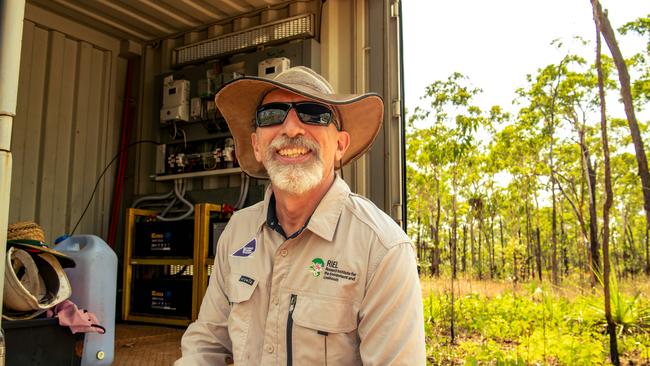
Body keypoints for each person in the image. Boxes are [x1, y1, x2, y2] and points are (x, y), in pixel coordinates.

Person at [176, 66, 425, 365]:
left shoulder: (382, 250)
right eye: (271, 115)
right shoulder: (238, 231)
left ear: (340, 146)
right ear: (256, 145)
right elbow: (206, 343)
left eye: (313, 113)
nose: (291, 129)